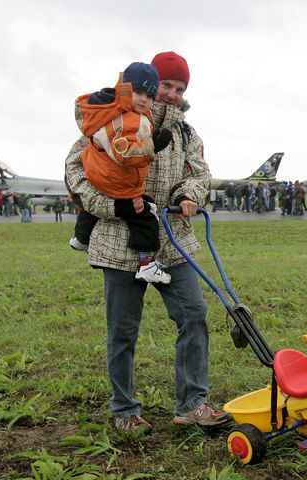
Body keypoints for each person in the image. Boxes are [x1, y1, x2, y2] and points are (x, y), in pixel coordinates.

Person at [65, 51, 228, 433]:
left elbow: (199, 174)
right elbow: (75, 171)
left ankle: (192, 403)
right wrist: (115, 206)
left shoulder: (188, 134)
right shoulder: (113, 120)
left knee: (194, 316)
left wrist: (187, 196)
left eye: (179, 88)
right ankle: (125, 410)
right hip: (119, 243)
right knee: (123, 330)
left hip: (173, 242)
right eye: (166, 86)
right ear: (149, 87)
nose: (172, 94)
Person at [69, 62, 173, 284]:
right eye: (138, 92)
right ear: (125, 90)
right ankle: (147, 264)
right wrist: (151, 146)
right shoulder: (129, 119)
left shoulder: (111, 112)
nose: (144, 99)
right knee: (146, 215)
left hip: (101, 176)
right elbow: (124, 153)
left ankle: (80, 237)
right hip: (116, 180)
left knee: (92, 210)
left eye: (149, 95)